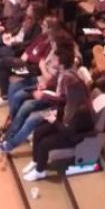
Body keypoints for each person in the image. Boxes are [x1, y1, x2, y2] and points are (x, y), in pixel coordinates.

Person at [22, 47, 95, 182]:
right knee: (39, 131)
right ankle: (36, 161)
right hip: (66, 124)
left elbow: (69, 131)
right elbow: (65, 107)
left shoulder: (81, 110)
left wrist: (54, 121)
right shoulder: (73, 95)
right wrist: (56, 113)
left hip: (75, 135)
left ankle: (40, 171)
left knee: (45, 143)